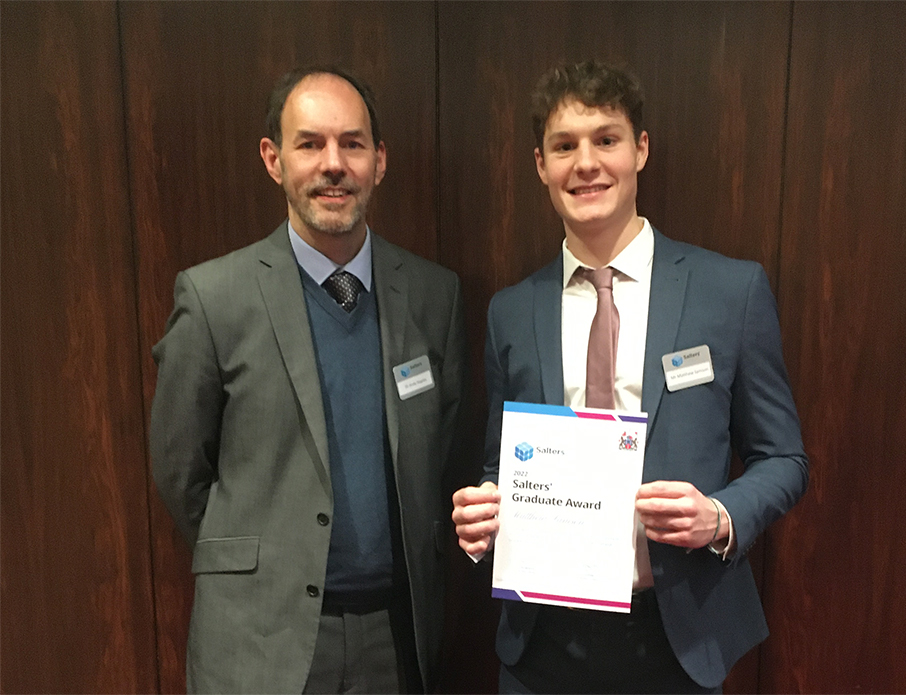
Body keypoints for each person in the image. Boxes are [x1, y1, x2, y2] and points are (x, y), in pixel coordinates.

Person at [452, 60, 808, 694]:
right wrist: (484, 507)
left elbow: (784, 457)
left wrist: (720, 517)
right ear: (541, 165)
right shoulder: (511, 310)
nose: (586, 163)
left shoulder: (730, 292)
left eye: (606, 139)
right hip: (542, 645)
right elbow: (498, 465)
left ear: (640, 150)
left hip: (678, 640)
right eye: (565, 146)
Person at [151, 65, 467, 694]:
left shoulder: (434, 295)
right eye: (309, 144)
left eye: (352, 144)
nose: (333, 164)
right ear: (273, 159)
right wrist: (260, 566)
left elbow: (445, 454)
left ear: (379, 161)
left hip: (396, 641)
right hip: (259, 640)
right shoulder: (215, 297)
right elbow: (180, 471)